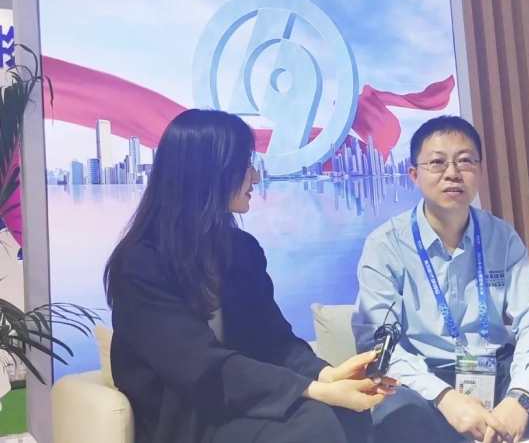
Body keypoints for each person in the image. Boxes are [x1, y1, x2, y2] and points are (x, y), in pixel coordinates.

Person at [104, 109, 396, 443]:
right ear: (208, 173)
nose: (255, 177)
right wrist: (311, 390)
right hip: (187, 417)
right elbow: (199, 367)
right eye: (245, 166)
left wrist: (327, 375)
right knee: (312, 423)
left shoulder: (241, 250)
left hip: (241, 403)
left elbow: (274, 340)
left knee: (348, 410)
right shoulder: (141, 264)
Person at [351, 115, 529, 443]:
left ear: (479, 170)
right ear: (414, 175)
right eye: (437, 162)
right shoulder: (386, 245)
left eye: (465, 160)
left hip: (498, 374)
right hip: (425, 386)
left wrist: (520, 396)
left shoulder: (500, 237)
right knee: (393, 410)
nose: (452, 172)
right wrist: (445, 397)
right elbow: (378, 345)